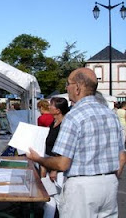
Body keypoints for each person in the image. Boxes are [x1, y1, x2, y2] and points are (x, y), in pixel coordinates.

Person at [27, 68, 126, 218]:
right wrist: (110, 178)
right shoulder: (110, 114)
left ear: (78, 87)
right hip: (109, 184)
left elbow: (62, 163)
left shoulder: (74, 116)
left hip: (82, 187)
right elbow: (122, 156)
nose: (66, 88)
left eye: (68, 84)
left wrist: (38, 159)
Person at [40, 97, 69, 218]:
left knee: (59, 199)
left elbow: (62, 149)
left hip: (57, 168)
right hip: (49, 163)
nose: (49, 107)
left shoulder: (64, 125)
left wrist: (54, 170)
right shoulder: (53, 122)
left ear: (58, 110)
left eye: (51, 105)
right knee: (50, 198)